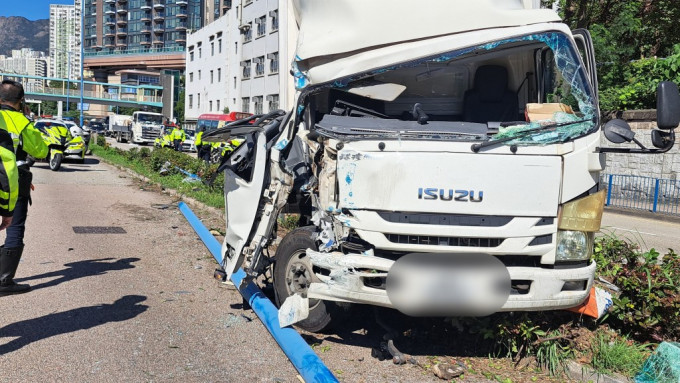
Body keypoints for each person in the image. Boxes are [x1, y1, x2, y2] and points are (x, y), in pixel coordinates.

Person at [0, 79, 48, 296]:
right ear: (21, 100)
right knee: (14, 227)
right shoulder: (21, 122)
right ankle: (4, 281)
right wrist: (29, 120)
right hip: (13, 178)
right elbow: (41, 151)